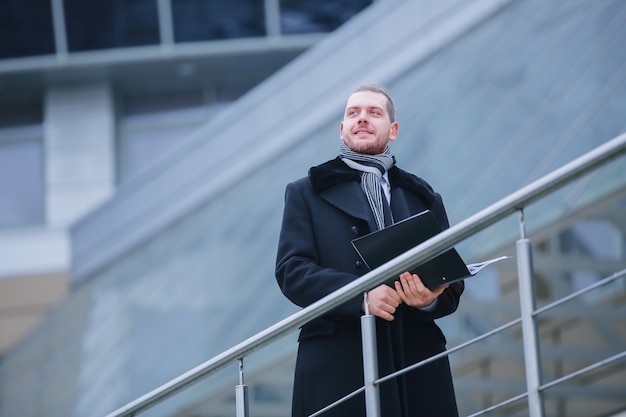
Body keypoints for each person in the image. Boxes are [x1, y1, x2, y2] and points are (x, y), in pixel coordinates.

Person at [275, 84, 463, 417]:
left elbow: (452, 278)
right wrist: (361, 297)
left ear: (392, 130)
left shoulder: (425, 197)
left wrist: (431, 296)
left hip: (415, 359)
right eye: (353, 113)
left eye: (374, 112)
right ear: (342, 129)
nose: (362, 119)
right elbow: (292, 270)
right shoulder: (305, 192)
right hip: (339, 363)